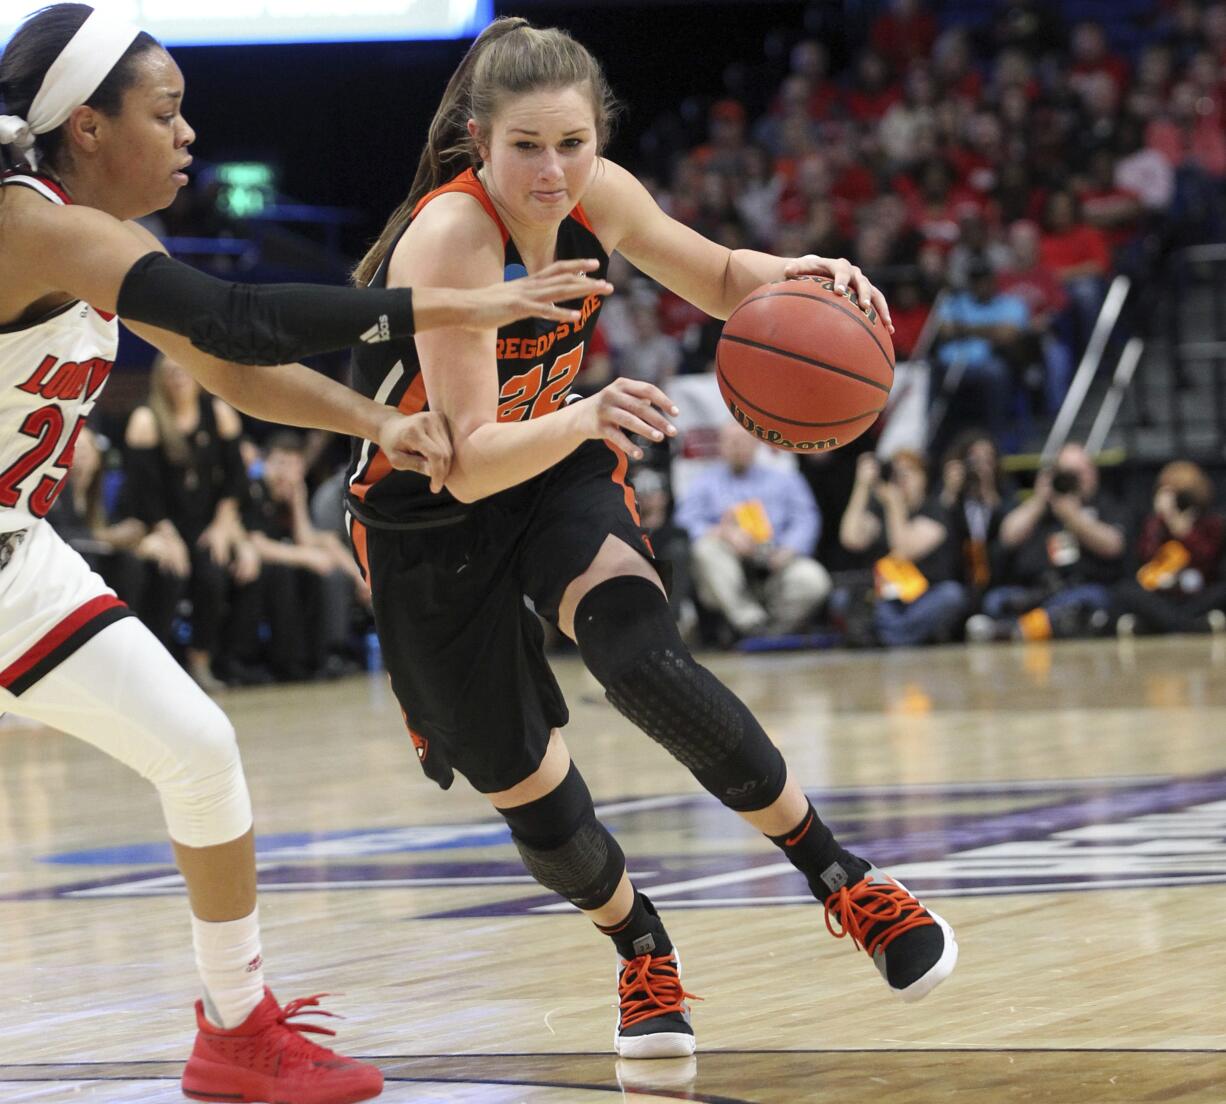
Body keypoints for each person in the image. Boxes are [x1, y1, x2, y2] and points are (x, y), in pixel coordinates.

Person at [0, 6, 606, 1102]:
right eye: (166, 112)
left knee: (197, 747)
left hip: (15, 557)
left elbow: (227, 365)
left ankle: (235, 1031)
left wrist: (373, 424)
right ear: (85, 129)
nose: (189, 135)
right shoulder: (29, 225)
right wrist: (457, 300)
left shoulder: (109, 243)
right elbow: (238, 317)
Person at [346, 16, 956, 1064]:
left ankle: (846, 880)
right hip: (429, 513)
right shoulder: (450, 238)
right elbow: (467, 457)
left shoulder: (598, 195)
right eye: (527, 148)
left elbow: (719, 276)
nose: (552, 171)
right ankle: (638, 948)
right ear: (478, 141)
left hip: (547, 470)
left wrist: (802, 276)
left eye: (572, 145)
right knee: (529, 791)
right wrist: (586, 414)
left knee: (639, 656)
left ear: (598, 138)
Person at [123, 353, 251, 690]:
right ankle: (156, 666)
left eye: (183, 370)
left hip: (207, 524)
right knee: (170, 573)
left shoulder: (219, 413)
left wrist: (223, 526)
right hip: (159, 524)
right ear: (159, 379)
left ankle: (202, 661)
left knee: (213, 574)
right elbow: (143, 492)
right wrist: (167, 534)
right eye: (170, 373)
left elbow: (237, 479)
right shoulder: (147, 419)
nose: (178, 378)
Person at [676, 421, 830, 640]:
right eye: (731, 442)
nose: (737, 447)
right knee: (705, 548)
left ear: (757, 444)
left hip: (775, 561)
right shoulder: (704, 483)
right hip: (729, 568)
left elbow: (807, 519)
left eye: (743, 441)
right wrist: (722, 532)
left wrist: (788, 549)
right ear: (720, 447)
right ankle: (750, 623)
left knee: (813, 578)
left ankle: (774, 630)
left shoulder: (785, 479)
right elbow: (684, 523)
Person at [968, 443, 1126, 642]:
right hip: (1034, 591)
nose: (1075, 480)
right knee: (995, 600)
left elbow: (1113, 545)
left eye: (1080, 472)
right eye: (1066, 473)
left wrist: (1073, 516)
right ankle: (1034, 626)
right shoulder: (1040, 507)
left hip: (1077, 588)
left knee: (1092, 600)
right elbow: (1008, 536)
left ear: (1093, 473)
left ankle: (1017, 630)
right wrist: (1040, 500)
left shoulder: (1105, 505)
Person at [838, 450, 967, 647]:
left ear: (924, 478)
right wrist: (862, 486)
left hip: (922, 597)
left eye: (909, 472)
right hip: (886, 597)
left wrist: (895, 507)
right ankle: (901, 635)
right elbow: (850, 538)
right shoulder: (881, 509)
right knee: (841, 599)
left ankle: (889, 636)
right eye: (896, 473)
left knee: (952, 595)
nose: (902, 479)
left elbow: (904, 551)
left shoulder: (935, 510)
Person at [1114, 461, 1226, 636]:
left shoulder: (1212, 523)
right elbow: (1145, 557)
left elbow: (1208, 559)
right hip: (1162, 594)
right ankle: (1188, 625)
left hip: (1197, 593)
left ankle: (1163, 625)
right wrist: (1161, 521)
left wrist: (1184, 531)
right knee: (1125, 590)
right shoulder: (1156, 524)